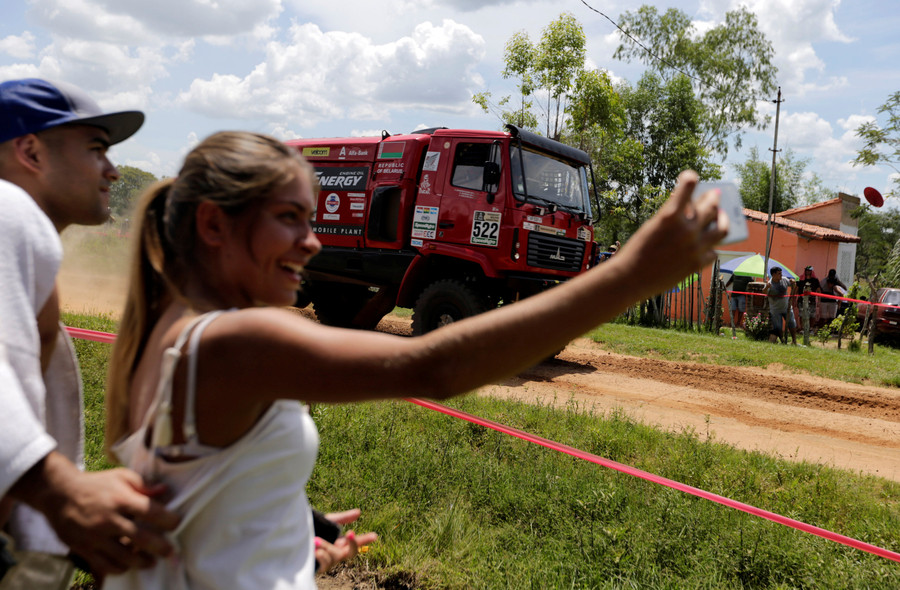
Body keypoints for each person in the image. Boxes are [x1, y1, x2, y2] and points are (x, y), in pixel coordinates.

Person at [101, 131, 727, 589]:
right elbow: (431, 368)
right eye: (289, 220)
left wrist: (288, 537)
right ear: (212, 225)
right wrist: (629, 277)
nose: (314, 242)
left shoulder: (164, 331)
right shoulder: (236, 343)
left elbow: (195, 499)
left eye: (312, 219)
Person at [0, 77, 180, 585]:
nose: (113, 170)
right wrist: (61, 491)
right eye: (96, 149)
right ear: (30, 151)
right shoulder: (8, 207)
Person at [764, 267, 797, 345]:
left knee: (792, 323)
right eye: (779, 273)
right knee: (778, 327)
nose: (781, 275)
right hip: (775, 310)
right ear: (774, 274)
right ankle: (782, 341)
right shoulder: (769, 283)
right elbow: (764, 292)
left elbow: (793, 285)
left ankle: (794, 341)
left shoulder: (784, 279)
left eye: (781, 273)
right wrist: (767, 287)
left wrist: (793, 282)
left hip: (787, 308)